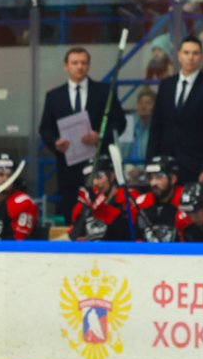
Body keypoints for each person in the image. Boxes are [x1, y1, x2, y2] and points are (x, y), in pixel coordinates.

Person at [39, 46, 127, 220]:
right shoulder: (54, 96)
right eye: (75, 63)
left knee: (102, 212)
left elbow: (120, 122)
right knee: (71, 211)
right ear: (66, 66)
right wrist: (55, 142)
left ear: (88, 65)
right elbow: (45, 128)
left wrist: (100, 135)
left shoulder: (104, 92)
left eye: (83, 63)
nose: (79, 66)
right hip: (68, 166)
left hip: (99, 164)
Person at [146, 36, 203, 185]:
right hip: (165, 165)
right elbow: (156, 127)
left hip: (196, 165)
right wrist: (150, 162)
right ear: (179, 56)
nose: (190, 57)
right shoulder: (166, 85)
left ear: (201, 57)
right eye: (186, 53)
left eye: (195, 53)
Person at [70, 155, 137, 242]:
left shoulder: (127, 199)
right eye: (90, 178)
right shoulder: (83, 205)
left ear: (112, 176)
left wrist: (100, 209)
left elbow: (126, 233)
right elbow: (75, 238)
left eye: (99, 177)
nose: (94, 182)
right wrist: (85, 210)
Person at [0, 153, 41, 241]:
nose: (5, 180)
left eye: (9, 176)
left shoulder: (24, 203)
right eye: (0, 175)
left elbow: (18, 243)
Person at [134, 155, 185, 242]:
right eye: (150, 178)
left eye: (159, 177)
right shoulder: (142, 203)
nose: (153, 183)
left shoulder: (184, 200)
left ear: (173, 179)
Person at [123, 88, 155, 177]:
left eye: (147, 103)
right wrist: (128, 168)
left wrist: (140, 169)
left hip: (147, 172)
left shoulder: (156, 128)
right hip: (126, 170)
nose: (143, 106)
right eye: (140, 103)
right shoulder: (128, 123)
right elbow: (120, 150)